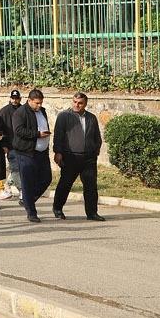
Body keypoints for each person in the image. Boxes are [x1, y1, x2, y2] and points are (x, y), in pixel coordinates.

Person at [53, 92, 105, 221]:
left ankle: (92, 213)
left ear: (85, 104)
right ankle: (58, 208)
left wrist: (96, 148)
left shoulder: (91, 118)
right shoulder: (64, 116)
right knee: (65, 184)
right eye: (75, 102)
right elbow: (58, 136)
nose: (77, 105)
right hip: (71, 157)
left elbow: (96, 136)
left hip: (88, 158)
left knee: (91, 186)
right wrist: (58, 152)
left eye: (80, 103)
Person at [11, 89, 53, 222]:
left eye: (41, 103)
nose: (39, 105)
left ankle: (28, 199)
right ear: (29, 100)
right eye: (36, 103)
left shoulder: (42, 111)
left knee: (46, 178)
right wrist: (37, 134)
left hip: (42, 152)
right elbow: (18, 130)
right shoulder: (20, 112)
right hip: (26, 152)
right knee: (28, 182)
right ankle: (31, 212)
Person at [1, 89, 25, 201]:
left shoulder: (24, 110)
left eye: (16, 98)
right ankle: (22, 191)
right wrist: (3, 145)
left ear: (20, 98)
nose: (14, 100)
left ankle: (7, 186)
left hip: (24, 145)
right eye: (13, 98)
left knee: (22, 168)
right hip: (11, 146)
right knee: (16, 169)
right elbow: (0, 129)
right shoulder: (5, 111)